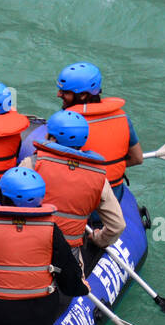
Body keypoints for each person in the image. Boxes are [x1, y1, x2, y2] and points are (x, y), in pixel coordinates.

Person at [0, 166, 87, 325]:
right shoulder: (51, 230)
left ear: (2, 197)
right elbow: (69, 279)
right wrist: (82, 288)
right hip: (38, 316)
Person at [21, 111, 125, 275]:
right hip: (69, 253)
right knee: (77, 273)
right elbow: (117, 226)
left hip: (26, 245)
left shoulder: (32, 164)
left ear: (52, 139)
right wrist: (98, 239)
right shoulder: (99, 178)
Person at [55, 61, 142, 199]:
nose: (58, 95)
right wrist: (111, 168)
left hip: (80, 199)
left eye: (65, 92)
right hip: (114, 194)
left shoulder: (62, 122)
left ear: (83, 95)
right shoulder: (122, 117)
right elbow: (137, 158)